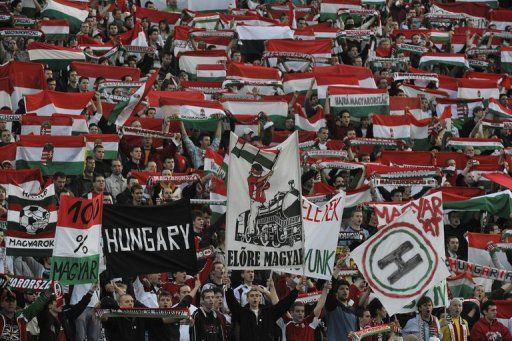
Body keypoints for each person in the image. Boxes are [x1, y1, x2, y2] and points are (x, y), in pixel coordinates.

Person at [225, 276, 301, 341]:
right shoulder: (242, 313)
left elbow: (284, 304)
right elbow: (232, 303)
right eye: (251, 296)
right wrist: (228, 288)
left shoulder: (269, 312)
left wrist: (296, 290)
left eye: (257, 296)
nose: (254, 297)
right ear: (247, 299)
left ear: (260, 298)